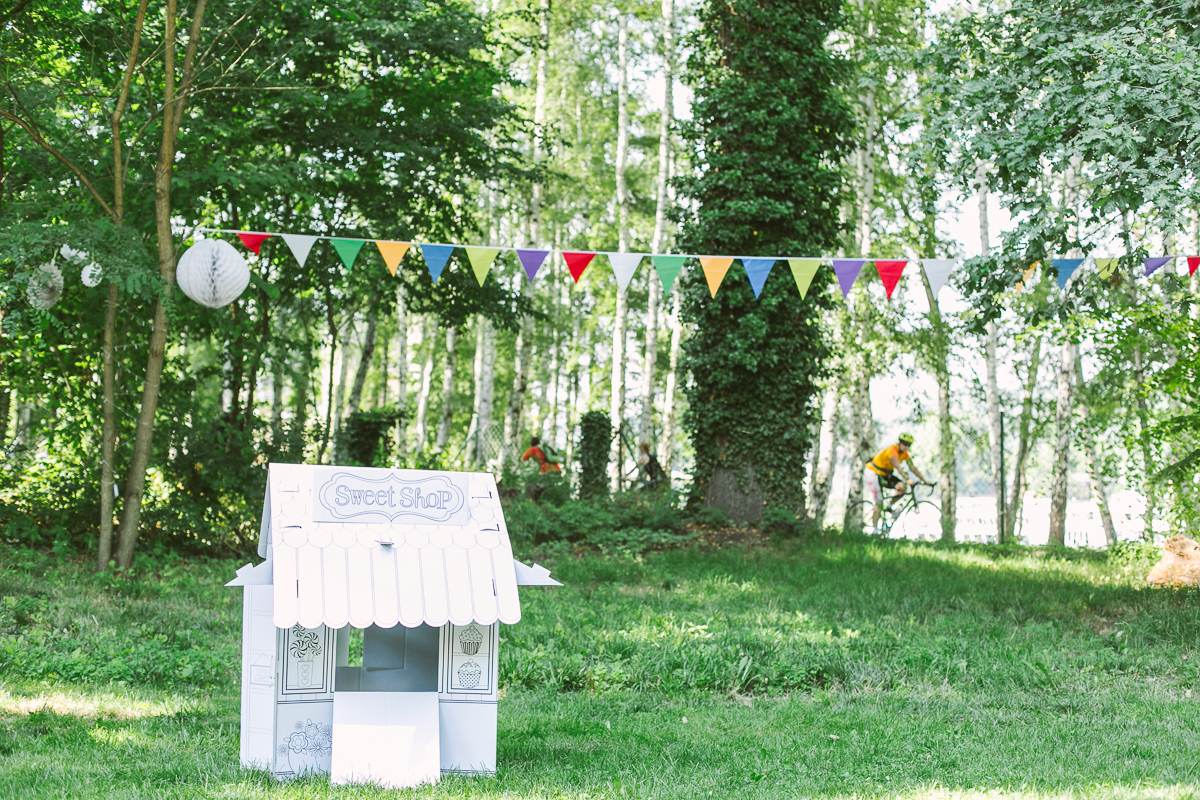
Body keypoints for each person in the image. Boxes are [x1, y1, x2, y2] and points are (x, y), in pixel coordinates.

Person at [864, 432, 929, 533]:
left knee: (902, 488)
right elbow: (897, 466)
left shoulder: (905, 455)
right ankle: (875, 530)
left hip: (885, 474)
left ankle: (889, 506)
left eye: (909, 445)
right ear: (899, 443)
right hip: (872, 472)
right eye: (904, 443)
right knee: (879, 503)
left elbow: (912, 468)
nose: (906, 446)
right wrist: (907, 479)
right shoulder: (892, 451)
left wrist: (925, 481)